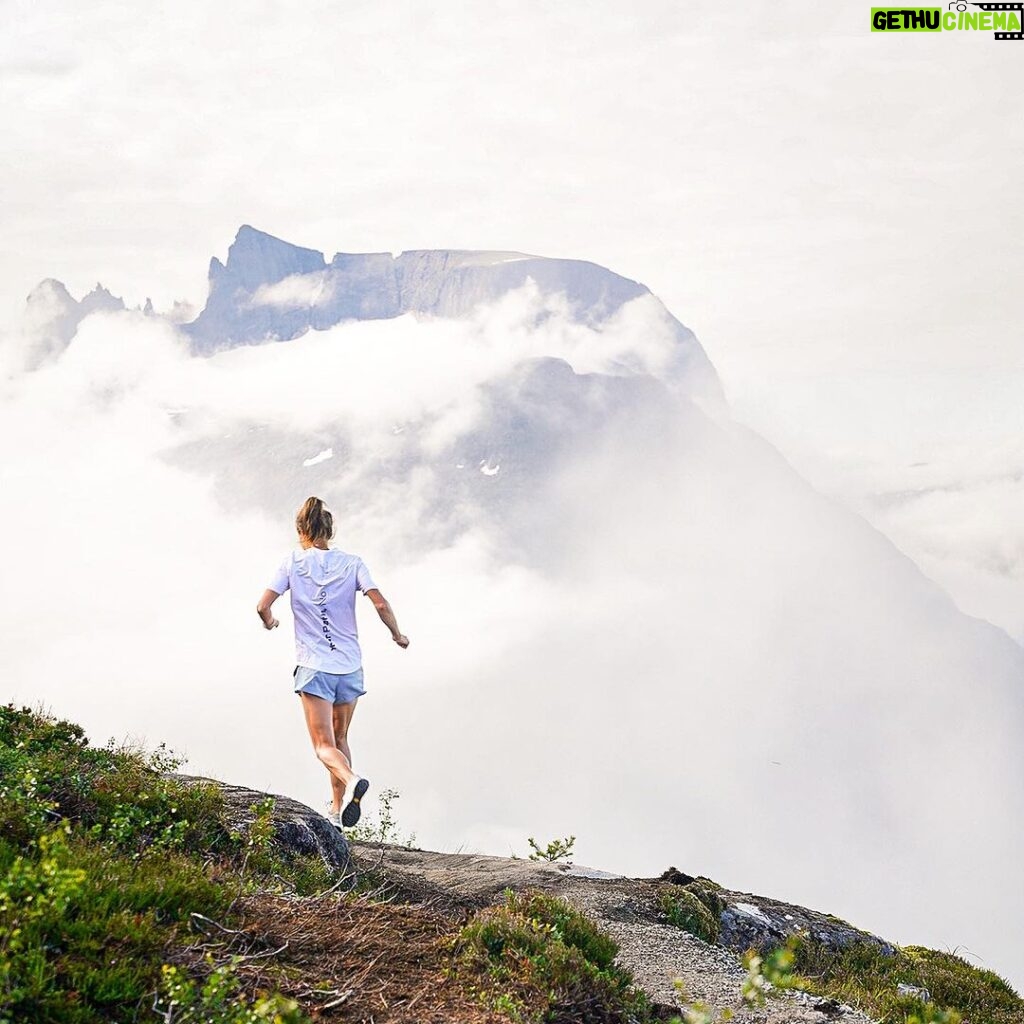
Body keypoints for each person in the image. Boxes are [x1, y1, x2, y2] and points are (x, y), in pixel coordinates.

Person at [256, 496, 409, 828]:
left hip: (314, 668)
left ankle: (351, 781)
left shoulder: (292, 564)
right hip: (350, 667)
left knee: (323, 746)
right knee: (340, 738)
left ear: (301, 529)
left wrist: (270, 622)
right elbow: (380, 604)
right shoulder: (352, 563)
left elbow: (262, 606)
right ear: (330, 530)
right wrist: (397, 634)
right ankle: (338, 810)